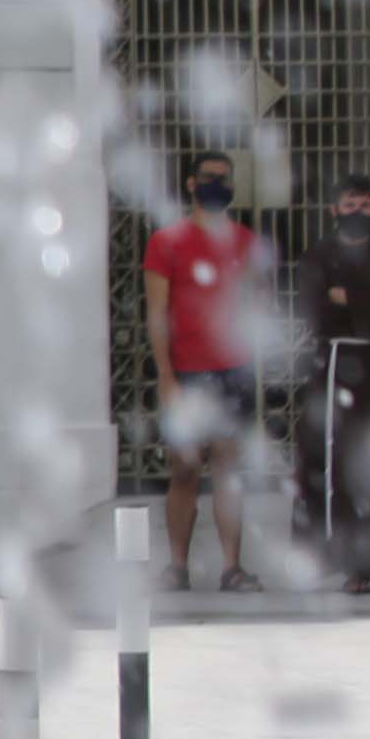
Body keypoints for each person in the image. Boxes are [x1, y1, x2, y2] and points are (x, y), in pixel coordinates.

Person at [143, 146, 274, 590]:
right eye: (209, 176)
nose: (217, 183)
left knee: (227, 470)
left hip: (231, 371)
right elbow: (157, 312)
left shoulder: (245, 242)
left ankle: (231, 567)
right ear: (192, 184)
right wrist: (166, 376)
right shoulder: (167, 242)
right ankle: (176, 567)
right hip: (186, 374)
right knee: (183, 469)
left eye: (225, 177)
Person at [293, 171, 370, 588]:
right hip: (338, 370)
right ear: (334, 209)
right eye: (349, 205)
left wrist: (352, 296)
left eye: (365, 204)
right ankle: (355, 565)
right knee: (342, 468)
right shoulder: (318, 257)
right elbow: (317, 314)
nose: (357, 212)